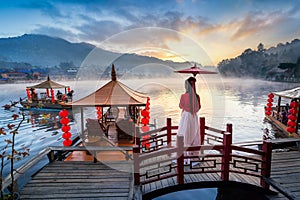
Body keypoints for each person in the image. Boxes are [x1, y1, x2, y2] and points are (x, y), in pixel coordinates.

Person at [178, 77, 201, 164]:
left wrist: (185, 107)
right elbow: (198, 108)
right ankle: (193, 155)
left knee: (185, 134)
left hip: (186, 116)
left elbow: (180, 106)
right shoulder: (197, 96)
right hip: (194, 117)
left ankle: (185, 155)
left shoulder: (183, 96)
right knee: (194, 133)